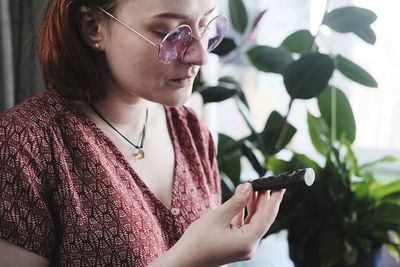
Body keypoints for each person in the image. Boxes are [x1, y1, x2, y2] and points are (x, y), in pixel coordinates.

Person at [0, 0, 285, 266]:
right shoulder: (22, 144)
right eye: (170, 33)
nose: (200, 57)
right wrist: (186, 259)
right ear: (93, 28)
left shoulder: (191, 130)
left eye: (206, 25)